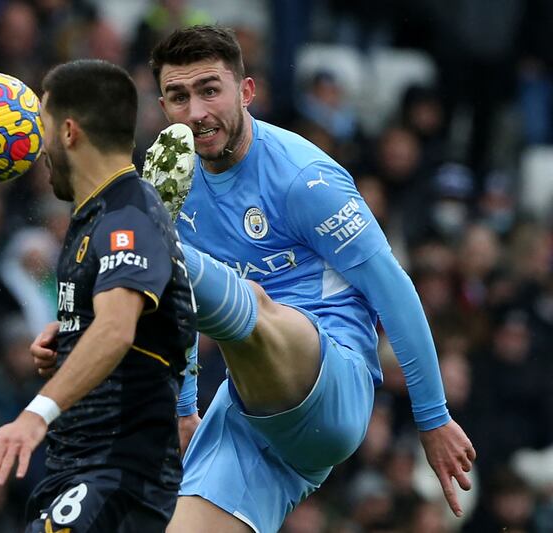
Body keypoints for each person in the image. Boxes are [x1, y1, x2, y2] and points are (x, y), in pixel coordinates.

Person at [141, 26, 476, 532]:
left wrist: (432, 417)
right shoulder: (179, 181)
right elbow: (178, 304)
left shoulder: (304, 178)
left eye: (210, 90)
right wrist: (185, 405)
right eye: (178, 96)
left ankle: (116, 250)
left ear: (246, 92)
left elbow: (393, 289)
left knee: (236, 297)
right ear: (163, 105)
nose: (196, 113)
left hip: (333, 382)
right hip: (250, 416)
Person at [0, 59, 196, 533]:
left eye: (44, 127)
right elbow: (135, 328)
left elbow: (117, 328)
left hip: (118, 472)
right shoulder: (97, 217)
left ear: (70, 131)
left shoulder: (127, 216)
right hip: (78, 468)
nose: (37, 147)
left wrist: (35, 415)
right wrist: (74, 336)